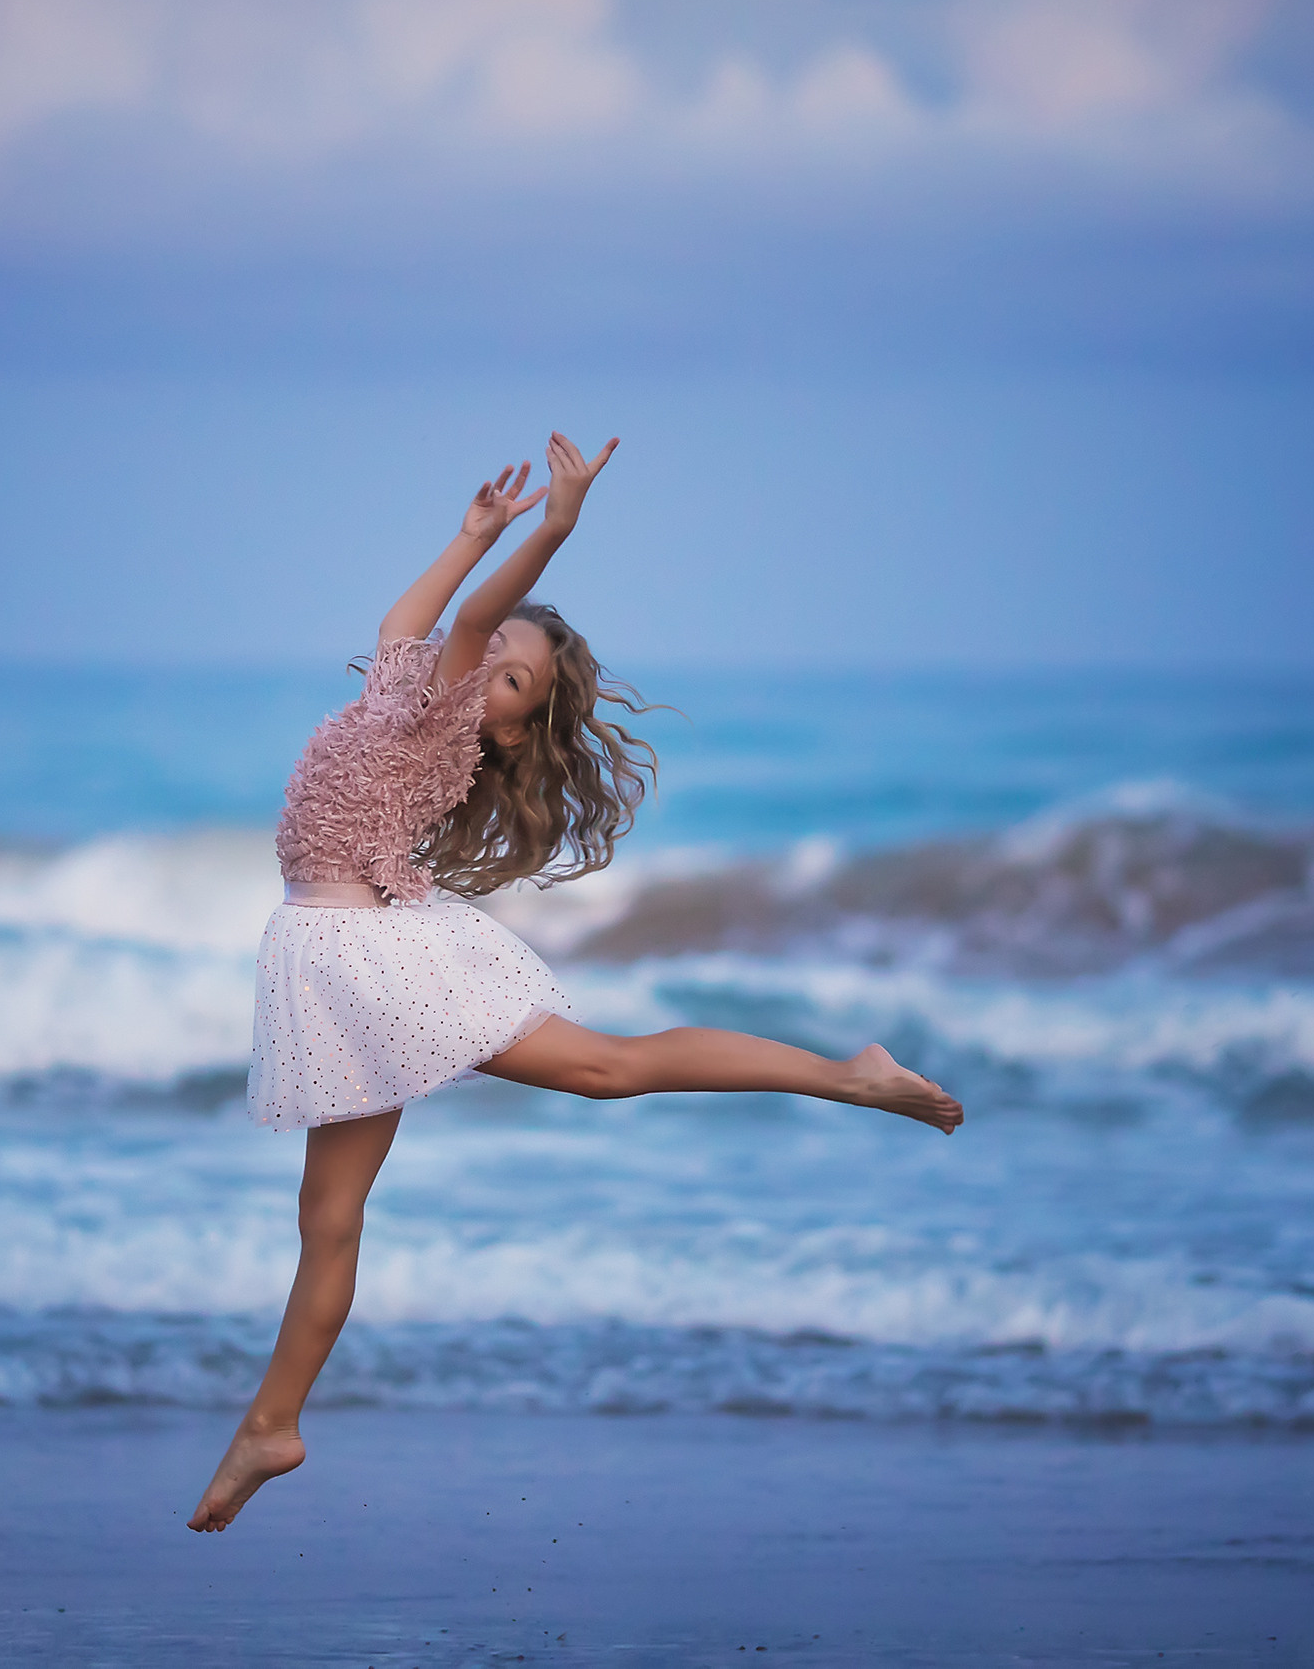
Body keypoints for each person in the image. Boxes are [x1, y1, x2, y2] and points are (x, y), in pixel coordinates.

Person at [188, 432, 962, 1533]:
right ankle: (272, 1424)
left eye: (509, 676)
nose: (484, 661)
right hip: (328, 957)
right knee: (331, 1219)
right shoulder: (401, 702)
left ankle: (851, 1076)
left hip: (363, 959)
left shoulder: (443, 721)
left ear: (503, 722)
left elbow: (456, 622)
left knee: (607, 1068)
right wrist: (466, 535)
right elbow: (412, 623)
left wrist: (547, 530)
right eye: (498, 649)